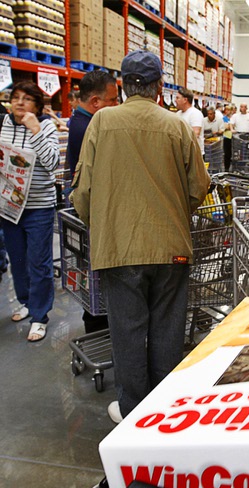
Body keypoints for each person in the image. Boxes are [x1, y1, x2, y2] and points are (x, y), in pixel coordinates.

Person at [73, 50, 210, 423]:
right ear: (159, 88)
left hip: (119, 248)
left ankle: (134, 415)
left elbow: (83, 191)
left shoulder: (102, 122)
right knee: (167, 330)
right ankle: (164, 413)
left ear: (122, 85)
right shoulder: (177, 125)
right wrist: (175, 214)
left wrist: (102, 223)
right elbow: (199, 186)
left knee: (128, 333)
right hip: (171, 247)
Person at [0, 82, 60, 341]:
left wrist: (34, 130)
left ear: (37, 105)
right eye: (15, 98)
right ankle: (26, 302)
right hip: (9, 205)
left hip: (38, 206)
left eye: (26, 99)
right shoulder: (4, 124)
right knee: (18, 261)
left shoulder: (46, 126)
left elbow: (52, 164)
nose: (20, 103)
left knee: (39, 262)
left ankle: (40, 315)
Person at [66, 70, 119, 334]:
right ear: (96, 102)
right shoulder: (87, 128)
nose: (116, 106)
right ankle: (97, 325)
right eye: (113, 101)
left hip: (88, 211)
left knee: (91, 273)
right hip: (91, 215)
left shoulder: (80, 121)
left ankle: (97, 320)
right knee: (94, 274)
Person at [175, 87, 204, 156]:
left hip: (194, 154)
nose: (175, 100)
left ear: (185, 100)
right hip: (182, 153)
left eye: (177, 98)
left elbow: (195, 134)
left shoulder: (195, 113)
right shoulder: (178, 114)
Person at [222, 105, 233, 170]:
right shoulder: (223, 118)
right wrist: (230, 126)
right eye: (226, 110)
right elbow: (225, 127)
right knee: (227, 154)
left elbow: (231, 126)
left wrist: (229, 126)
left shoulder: (233, 118)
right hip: (226, 138)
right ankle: (227, 168)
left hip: (233, 138)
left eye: (228, 110)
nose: (227, 111)